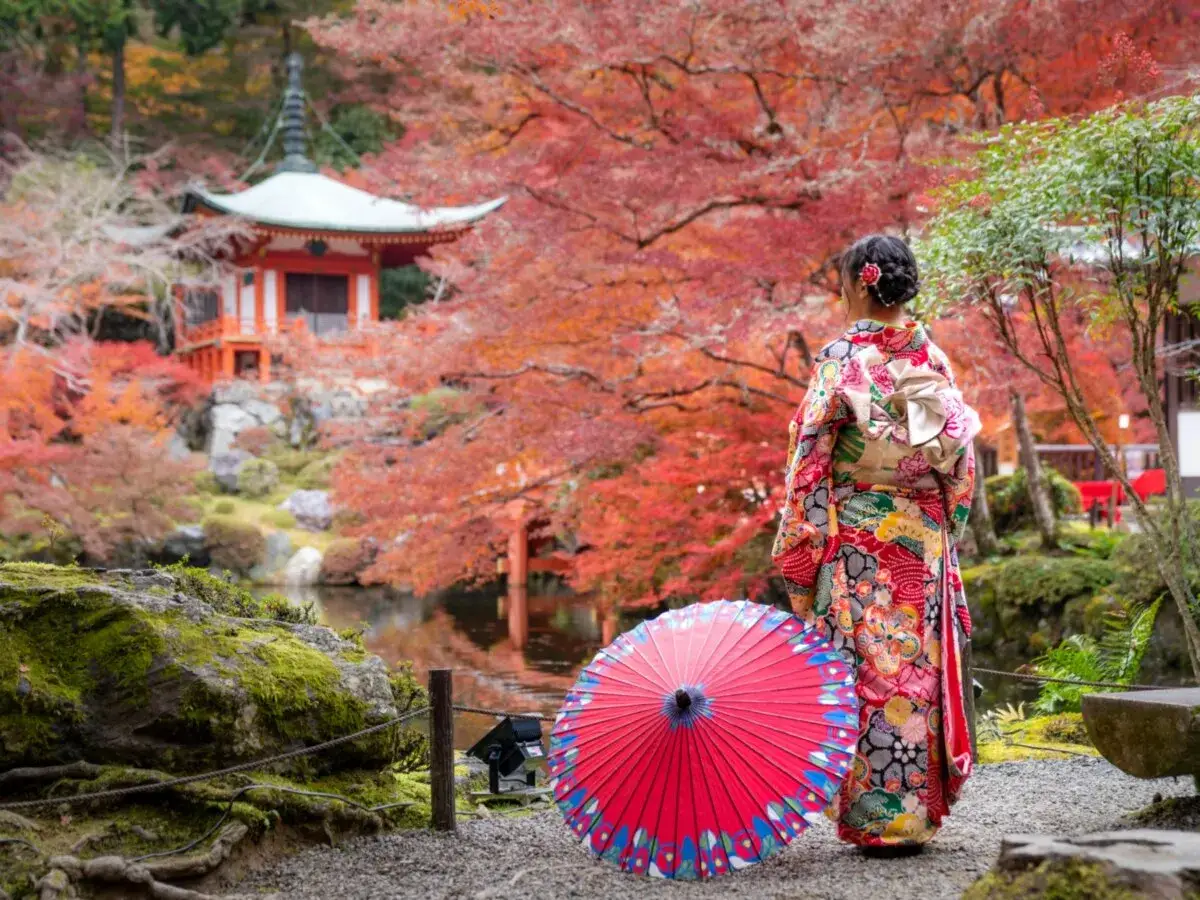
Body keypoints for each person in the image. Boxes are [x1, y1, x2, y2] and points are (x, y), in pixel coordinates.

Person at [772, 234, 980, 856]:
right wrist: (943, 526)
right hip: (922, 537)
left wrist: (802, 548)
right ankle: (916, 817)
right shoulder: (933, 361)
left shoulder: (843, 359)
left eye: (842, 282)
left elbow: (810, 458)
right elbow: (959, 467)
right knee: (918, 669)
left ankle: (876, 820)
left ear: (862, 284)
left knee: (870, 672)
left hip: (860, 536)